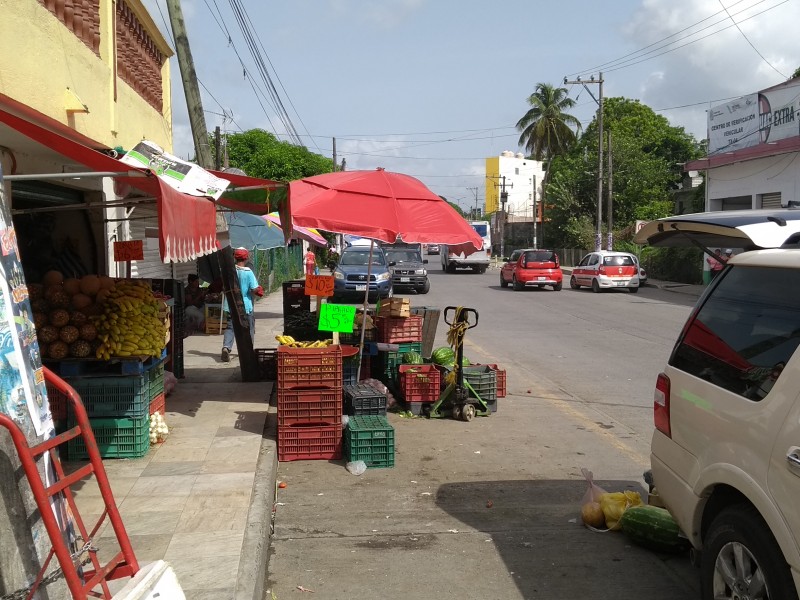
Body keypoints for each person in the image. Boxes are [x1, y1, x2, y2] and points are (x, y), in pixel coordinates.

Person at [221, 248, 264, 362]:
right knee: (248, 327)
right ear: (246, 258)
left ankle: (226, 347)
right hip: (245, 305)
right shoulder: (248, 272)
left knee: (230, 327)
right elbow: (254, 289)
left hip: (230, 304)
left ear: (235, 257)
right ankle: (248, 350)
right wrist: (259, 290)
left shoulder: (229, 271)